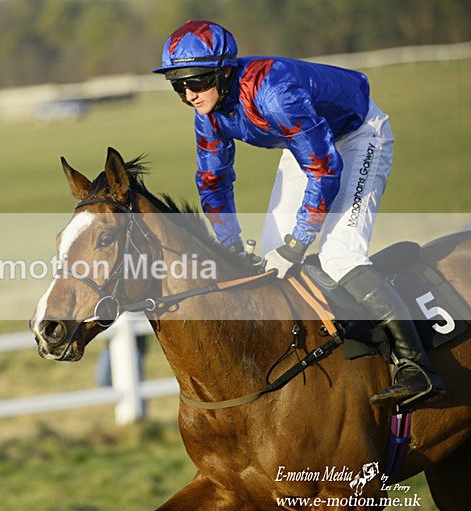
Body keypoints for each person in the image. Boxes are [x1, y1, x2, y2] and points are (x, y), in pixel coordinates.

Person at [153, 20, 445, 407]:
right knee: (272, 266)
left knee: (341, 254)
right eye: (179, 85)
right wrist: (230, 244)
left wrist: (299, 242)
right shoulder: (207, 112)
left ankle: (416, 366)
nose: (190, 94)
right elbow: (212, 180)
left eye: (197, 81)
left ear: (224, 71)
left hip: (357, 137)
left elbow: (325, 168)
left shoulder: (274, 93)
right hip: (304, 145)